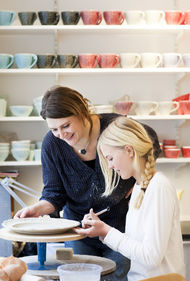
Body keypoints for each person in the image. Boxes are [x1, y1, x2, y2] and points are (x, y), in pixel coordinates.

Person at [15, 86, 161, 281]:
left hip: (120, 229)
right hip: (79, 231)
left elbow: (150, 141)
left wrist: (138, 179)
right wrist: (38, 208)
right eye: (54, 129)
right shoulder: (53, 143)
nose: (61, 134)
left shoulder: (114, 127)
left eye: (66, 126)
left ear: (82, 113)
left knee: (117, 277)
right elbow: (54, 193)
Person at [74, 116, 185, 281]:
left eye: (110, 158)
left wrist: (106, 231)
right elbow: (137, 247)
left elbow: (151, 257)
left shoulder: (158, 186)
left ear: (129, 150)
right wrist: (102, 230)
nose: (110, 166)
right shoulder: (140, 187)